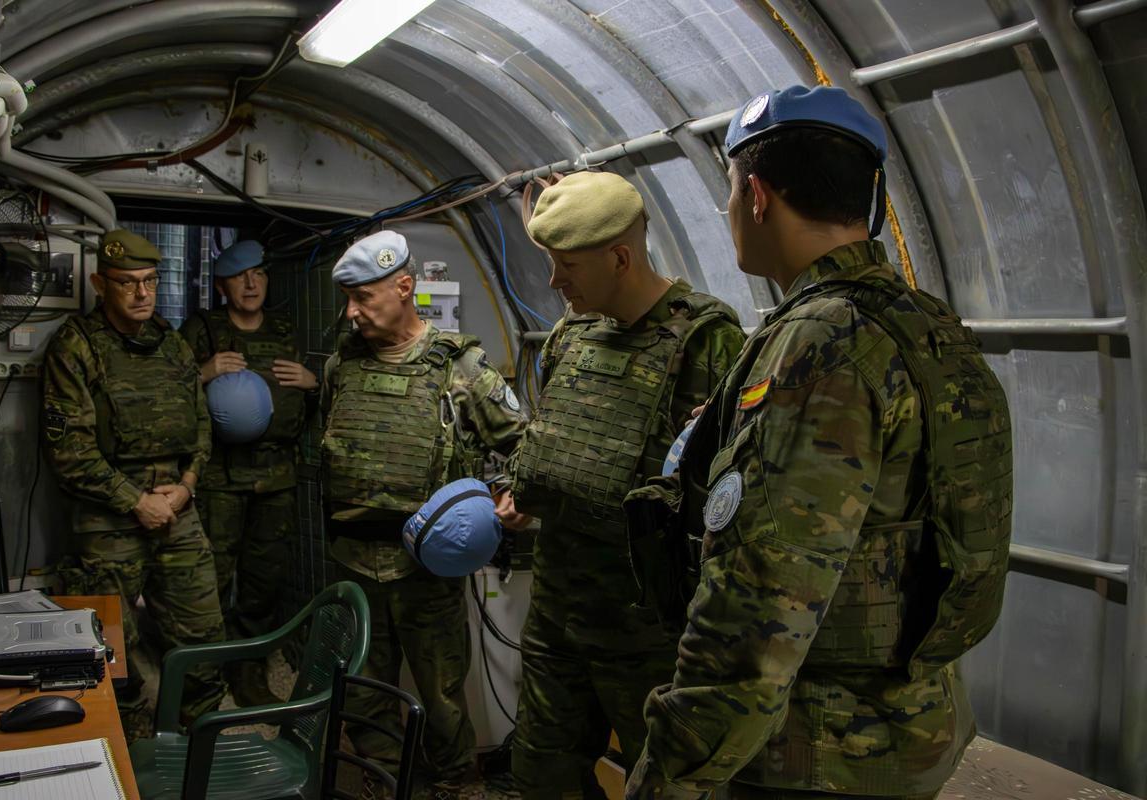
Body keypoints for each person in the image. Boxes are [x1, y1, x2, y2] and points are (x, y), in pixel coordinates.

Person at [626, 85, 1014, 800]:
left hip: (815, 751)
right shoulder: (924, 324)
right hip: (908, 729)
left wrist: (666, 780)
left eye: (731, 190)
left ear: (757, 196)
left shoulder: (820, 343)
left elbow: (756, 613)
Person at [508, 171, 745, 798]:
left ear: (619, 258)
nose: (554, 282)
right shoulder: (572, 332)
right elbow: (551, 434)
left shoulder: (707, 340)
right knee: (540, 777)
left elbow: (726, 497)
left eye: (567, 266)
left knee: (659, 783)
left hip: (646, 632)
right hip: (557, 614)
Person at [321, 230, 527, 799]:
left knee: (441, 691)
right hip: (353, 558)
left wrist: (510, 493)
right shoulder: (342, 366)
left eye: (363, 297)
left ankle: (457, 782)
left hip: (426, 569)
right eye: (348, 298)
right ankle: (383, 776)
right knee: (364, 686)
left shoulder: (461, 368)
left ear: (405, 287)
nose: (352, 311)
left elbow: (522, 445)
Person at [43, 229, 226, 740]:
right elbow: (69, 452)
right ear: (100, 284)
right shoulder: (76, 346)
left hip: (177, 508)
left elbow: (201, 424)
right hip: (108, 518)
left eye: (150, 281)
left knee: (202, 634)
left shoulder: (172, 343)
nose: (143, 293)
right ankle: (125, 747)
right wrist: (135, 501)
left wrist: (188, 484)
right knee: (109, 650)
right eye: (128, 283)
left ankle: (202, 740)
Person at [178, 239, 318, 708]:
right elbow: (167, 392)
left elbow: (307, 393)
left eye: (258, 273)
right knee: (212, 577)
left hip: (276, 477)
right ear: (222, 287)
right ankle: (205, 671)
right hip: (220, 478)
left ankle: (248, 668)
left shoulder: (283, 327)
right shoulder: (203, 329)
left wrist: (312, 383)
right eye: (240, 277)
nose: (252, 283)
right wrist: (202, 372)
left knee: (263, 580)